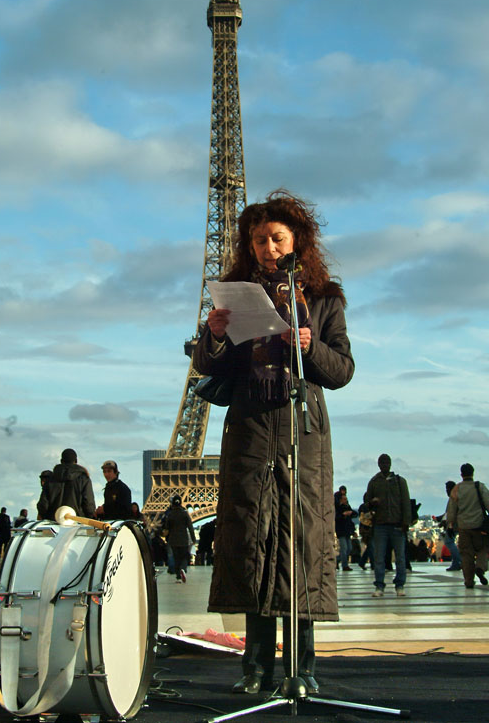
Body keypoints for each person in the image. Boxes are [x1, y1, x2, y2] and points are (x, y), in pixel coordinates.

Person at [193, 190, 354, 694]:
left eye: (276, 238)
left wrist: (312, 345)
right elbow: (208, 367)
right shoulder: (238, 293)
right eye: (259, 240)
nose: (267, 247)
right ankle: (257, 667)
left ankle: (303, 669)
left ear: (296, 241)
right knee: (251, 540)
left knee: (301, 542)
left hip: (301, 426)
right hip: (250, 430)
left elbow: (343, 370)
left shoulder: (325, 297)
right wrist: (215, 335)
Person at [365, 453, 411, 598]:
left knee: (400, 557)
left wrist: (406, 522)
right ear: (379, 464)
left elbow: (406, 502)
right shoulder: (374, 481)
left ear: (390, 464)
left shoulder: (399, 481)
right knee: (379, 557)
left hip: (397, 524)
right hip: (380, 524)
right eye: (382, 462)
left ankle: (400, 585)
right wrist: (372, 503)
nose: (384, 465)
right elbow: (366, 501)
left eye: (386, 462)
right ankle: (379, 585)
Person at [447, 463, 489, 588]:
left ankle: (469, 581)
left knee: (466, 555)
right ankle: (480, 568)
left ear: (461, 474)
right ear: (473, 473)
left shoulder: (457, 489)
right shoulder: (479, 487)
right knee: (483, 549)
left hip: (463, 527)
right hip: (479, 526)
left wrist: (450, 524)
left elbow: (452, 510)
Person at [37, 448, 96, 520]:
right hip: (77, 523)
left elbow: (43, 505)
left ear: (61, 461)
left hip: (53, 524)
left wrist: (48, 517)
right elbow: (89, 505)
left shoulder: (50, 479)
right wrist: (90, 517)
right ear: (76, 461)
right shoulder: (84, 479)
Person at [163, 496, 196, 583]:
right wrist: (193, 539)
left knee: (176, 557)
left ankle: (178, 577)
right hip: (183, 539)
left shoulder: (170, 514)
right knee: (184, 556)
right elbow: (190, 527)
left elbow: (167, 527)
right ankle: (183, 569)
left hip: (173, 539)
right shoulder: (185, 514)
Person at [433, 481, 462, 571]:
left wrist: (446, 522)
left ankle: (458, 561)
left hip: (453, 524)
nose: (446, 491)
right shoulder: (456, 497)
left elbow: (450, 513)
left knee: (449, 542)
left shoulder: (453, 498)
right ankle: (456, 562)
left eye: (447, 489)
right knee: (450, 542)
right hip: (456, 523)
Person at [335, 491, 357, 571]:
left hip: (347, 531)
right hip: (341, 531)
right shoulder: (338, 508)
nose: (346, 501)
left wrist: (350, 513)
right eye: (344, 499)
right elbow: (336, 518)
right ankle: (345, 565)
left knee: (349, 549)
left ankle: (336, 560)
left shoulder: (348, 507)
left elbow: (355, 514)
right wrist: (343, 515)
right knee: (344, 549)